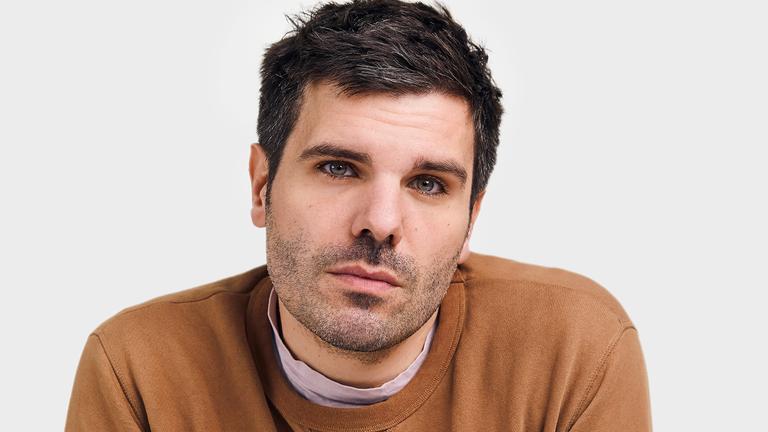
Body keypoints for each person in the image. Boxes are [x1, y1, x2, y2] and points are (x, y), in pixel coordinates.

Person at [66, 0, 651, 430]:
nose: (381, 222)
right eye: (339, 168)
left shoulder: (573, 351)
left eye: (428, 183)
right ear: (262, 186)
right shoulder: (139, 370)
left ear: (470, 220)